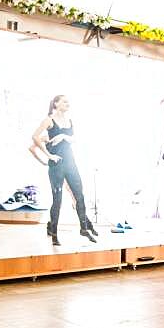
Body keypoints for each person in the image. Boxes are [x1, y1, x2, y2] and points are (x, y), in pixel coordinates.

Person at [30, 95, 99, 246]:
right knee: (58, 200)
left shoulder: (69, 121)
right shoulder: (49, 120)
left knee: (79, 195)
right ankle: (54, 233)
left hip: (71, 163)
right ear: (56, 104)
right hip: (57, 165)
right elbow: (34, 137)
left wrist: (62, 136)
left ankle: (84, 228)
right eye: (64, 101)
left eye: (68, 102)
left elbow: (73, 139)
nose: (68, 104)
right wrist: (48, 156)